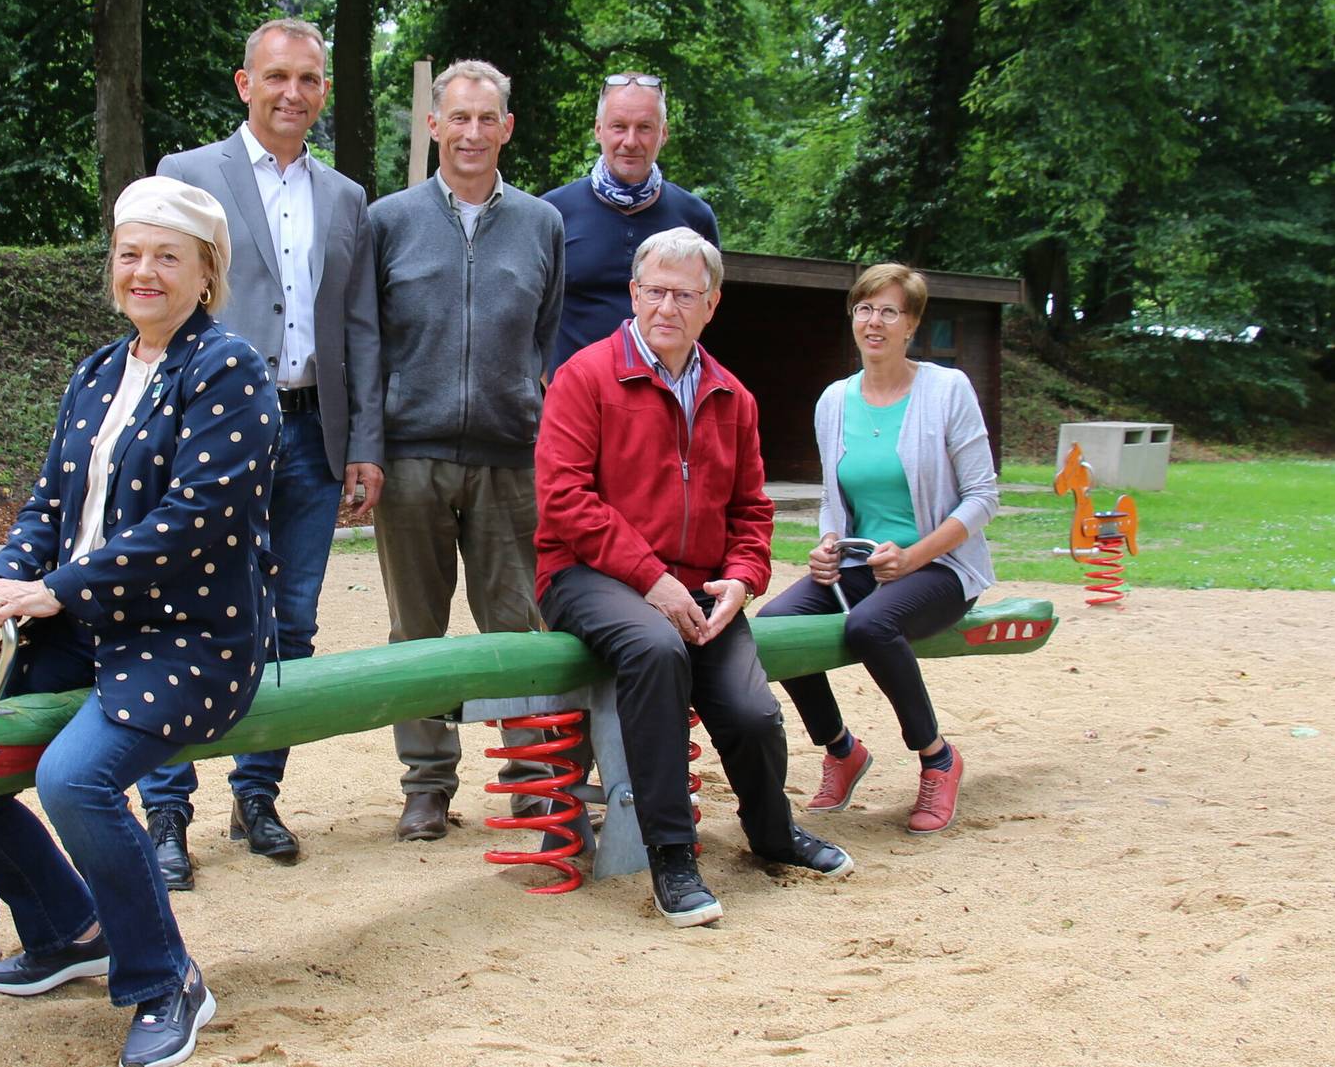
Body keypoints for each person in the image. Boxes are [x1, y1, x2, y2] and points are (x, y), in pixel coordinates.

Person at [0, 177, 277, 1067]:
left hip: (190, 632)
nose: (144, 272)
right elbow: (47, 509)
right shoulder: (97, 372)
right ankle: (67, 925)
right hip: (83, 622)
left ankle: (166, 978)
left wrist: (57, 589)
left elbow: (200, 518)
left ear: (207, 275)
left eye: (168, 256)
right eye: (130, 253)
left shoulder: (228, 368)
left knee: (75, 780)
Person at [534, 227, 851, 927]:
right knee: (654, 647)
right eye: (654, 290)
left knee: (750, 708)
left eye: (684, 294)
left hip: (702, 583)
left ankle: (772, 832)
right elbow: (563, 499)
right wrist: (650, 577)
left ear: (711, 304)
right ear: (633, 294)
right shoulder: (584, 376)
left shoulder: (733, 396)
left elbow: (752, 509)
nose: (666, 306)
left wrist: (742, 577)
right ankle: (672, 855)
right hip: (586, 574)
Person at [140, 18, 383, 885]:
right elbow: (158, 300)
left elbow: (358, 327)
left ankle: (257, 793)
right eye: (276, 76)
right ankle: (166, 810)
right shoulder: (186, 175)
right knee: (183, 611)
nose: (293, 92)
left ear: (324, 91)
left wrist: (364, 444)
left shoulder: (348, 198)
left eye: (309, 79)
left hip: (314, 435)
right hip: (210, 431)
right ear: (244, 84)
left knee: (292, 621)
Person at [368, 59, 564, 842]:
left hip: (512, 457)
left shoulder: (543, 224)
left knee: (516, 626)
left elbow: (544, 337)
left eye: (488, 118)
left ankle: (530, 776)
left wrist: (528, 416)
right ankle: (426, 786)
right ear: (434, 125)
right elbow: (367, 341)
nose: (473, 132)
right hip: (410, 455)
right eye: (460, 118)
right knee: (416, 631)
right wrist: (370, 446)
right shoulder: (388, 221)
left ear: (506, 127)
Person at [756, 262, 1000, 834]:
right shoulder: (835, 400)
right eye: (865, 309)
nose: (875, 321)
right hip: (861, 563)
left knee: (868, 626)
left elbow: (983, 497)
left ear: (911, 324)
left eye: (889, 311)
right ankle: (842, 748)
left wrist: (915, 557)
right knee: (771, 628)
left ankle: (937, 756)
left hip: (939, 566)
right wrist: (827, 546)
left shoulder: (947, 390)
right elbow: (833, 498)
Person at [542, 73, 721, 378]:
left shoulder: (695, 218)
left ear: (663, 133)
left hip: (664, 402)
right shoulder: (551, 213)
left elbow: (703, 314)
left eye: (644, 128)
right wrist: (553, 387)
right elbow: (527, 318)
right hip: (572, 405)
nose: (630, 141)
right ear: (599, 130)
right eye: (619, 126)